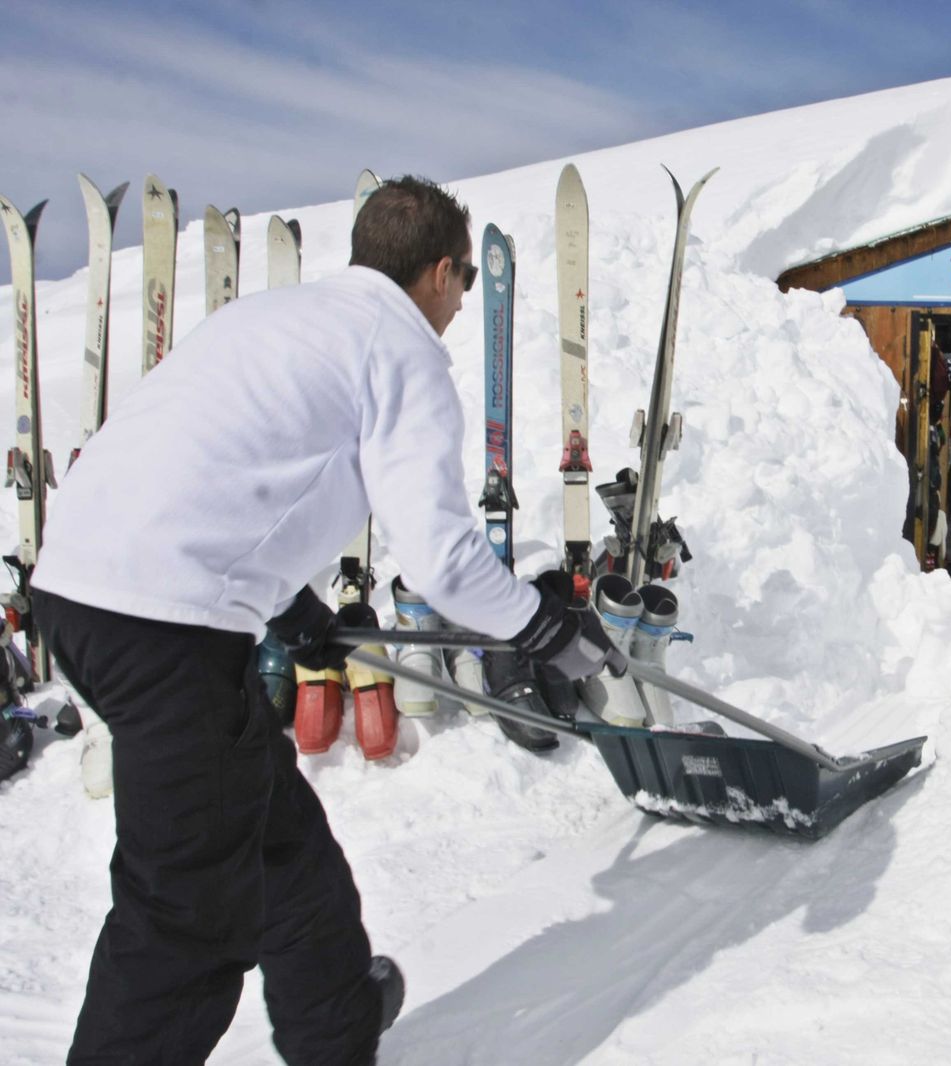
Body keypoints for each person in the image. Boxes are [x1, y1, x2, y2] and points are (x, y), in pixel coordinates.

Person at [30, 176, 623, 1065]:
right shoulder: (402, 351)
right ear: (436, 273)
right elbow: (445, 561)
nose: (463, 297)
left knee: (277, 840)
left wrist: (294, 611)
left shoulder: (280, 319)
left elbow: (228, 479)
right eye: (464, 276)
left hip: (79, 593)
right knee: (187, 917)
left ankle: (337, 1017)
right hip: (163, 625)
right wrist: (540, 626)